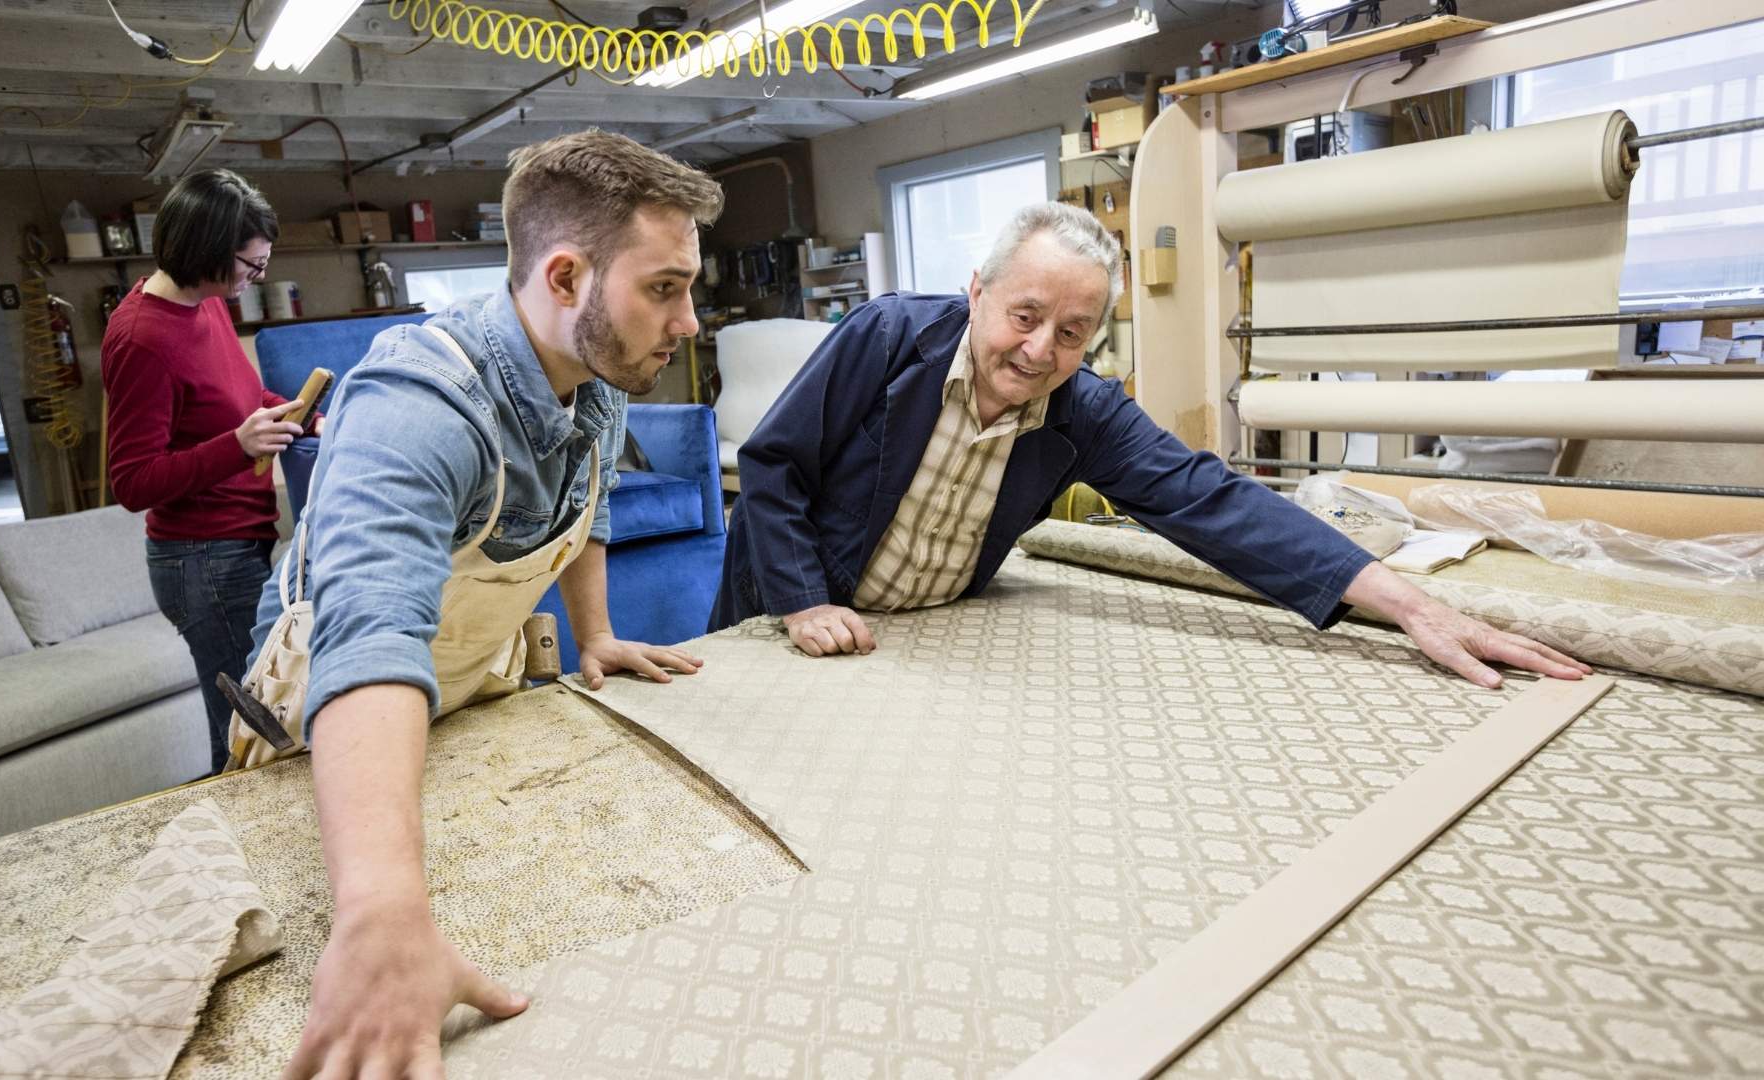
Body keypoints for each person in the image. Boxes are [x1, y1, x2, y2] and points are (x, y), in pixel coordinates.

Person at [243, 130, 723, 1079]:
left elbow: (583, 513)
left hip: (460, 709)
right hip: (320, 734)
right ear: (564, 276)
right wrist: (380, 912)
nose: (691, 321)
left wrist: (599, 634)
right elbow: (373, 633)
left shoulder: (593, 373)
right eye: (665, 288)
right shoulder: (416, 401)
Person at [716, 201, 1592, 691]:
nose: (1039, 351)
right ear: (977, 291)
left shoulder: (1080, 409)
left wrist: (1411, 609)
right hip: (796, 615)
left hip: (917, 645)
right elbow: (774, 465)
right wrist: (801, 604)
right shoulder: (884, 336)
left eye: (1072, 333)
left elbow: (1212, 501)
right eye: (1024, 316)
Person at [103, 168, 314, 776]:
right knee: (250, 731)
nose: (258, 278)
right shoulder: (142, 337)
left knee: (266, 714)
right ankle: (239, 858)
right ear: (205, 253)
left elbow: (233, 396)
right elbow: (133, 482)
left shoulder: (207, 301)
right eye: (250, 267)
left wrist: (298, 412)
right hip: (202, 559)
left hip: (240, 541)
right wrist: (236, 444)